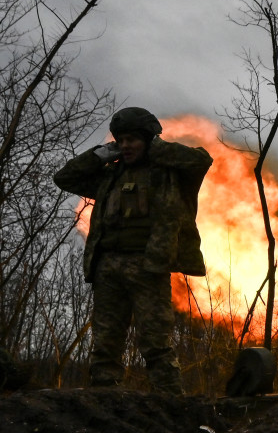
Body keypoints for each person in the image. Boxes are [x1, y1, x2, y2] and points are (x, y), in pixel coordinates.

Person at [53, 107, 212, 395]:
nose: (125, 146)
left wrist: (156, 148)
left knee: (155, 342)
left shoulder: (168, 174)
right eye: (121, 140)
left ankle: (171, 405)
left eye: (132, 140)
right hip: (108, 268)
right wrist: (101, 154)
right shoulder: (109, 176)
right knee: (106, 344)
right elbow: (64, 178)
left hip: (149, 267)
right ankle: (106, 401)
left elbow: (200, 160)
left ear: (148, 139)